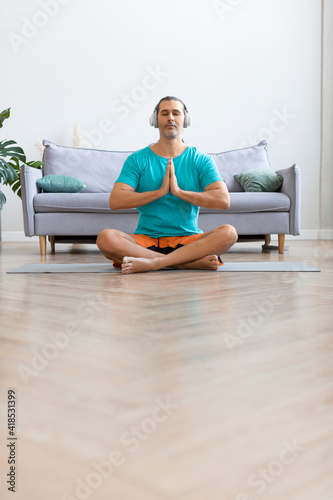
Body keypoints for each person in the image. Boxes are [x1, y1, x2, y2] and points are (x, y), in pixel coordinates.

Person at [97, 96, 238, 274]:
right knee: (106, 238)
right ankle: (184, 263)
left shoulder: (201, 160)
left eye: (176, 113)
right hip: (146, 241)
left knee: (229, 233)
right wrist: (160, 192)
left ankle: (154, 263)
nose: (170, 117)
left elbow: (223, 200)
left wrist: (178, 192)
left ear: (185, 119)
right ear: (155, 120)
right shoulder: (137, 159)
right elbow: (115, 201)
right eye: (164, 113)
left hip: (189, 240)